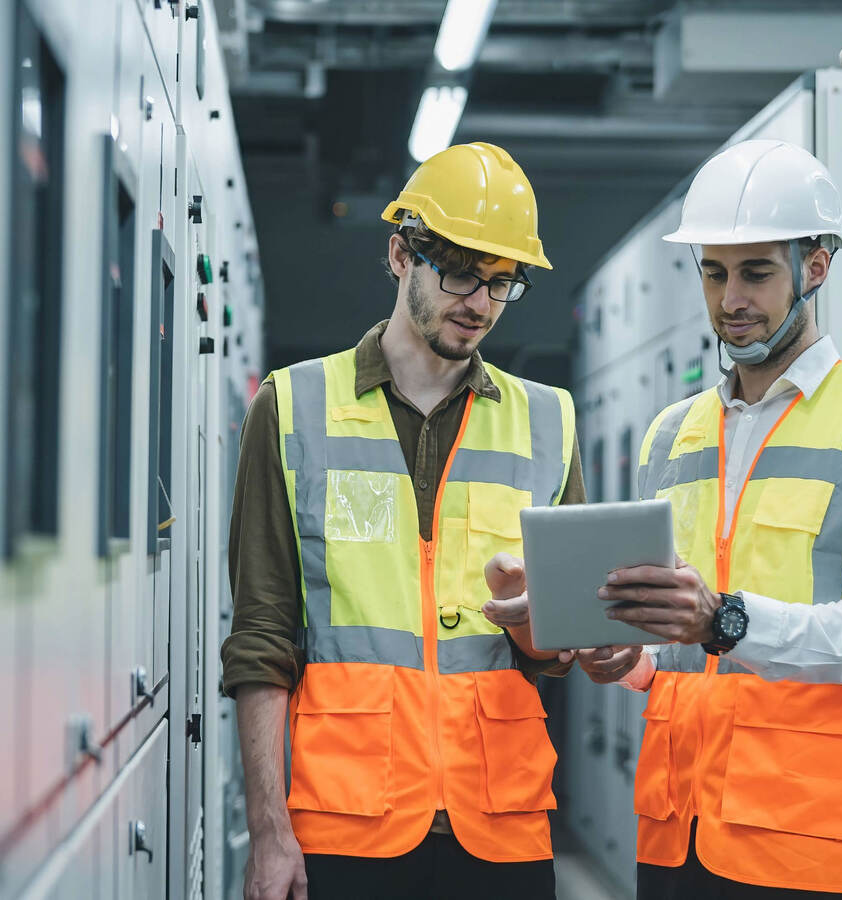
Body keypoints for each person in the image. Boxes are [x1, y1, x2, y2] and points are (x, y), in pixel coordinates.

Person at [221, 141, 583, 900]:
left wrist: (538, 627)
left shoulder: (549, 422)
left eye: (500, 283)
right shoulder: (291, 409)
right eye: (457, 272)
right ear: (399, 255)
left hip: (503, 826)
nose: (477, 303)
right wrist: (268, 831)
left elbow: (560, 652)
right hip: (347, 824)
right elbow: (261, 637)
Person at [596, 139, 842, 897]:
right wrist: (622, 660)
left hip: (804, 844)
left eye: (756, 272)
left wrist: (727, 621)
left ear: (815, 267)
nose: (732, 299)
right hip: (676, 833)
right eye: (714, 272)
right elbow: (677, 651)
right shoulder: (671, 432)